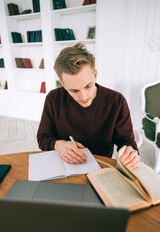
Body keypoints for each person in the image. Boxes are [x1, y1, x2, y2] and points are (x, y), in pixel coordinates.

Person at [37, 42, 140, 171]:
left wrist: (131, 153)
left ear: (95, 75)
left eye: (88, 86)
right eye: (74, 91)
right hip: (63, 166)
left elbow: (126, 141)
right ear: (63, 84)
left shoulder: (116, 101)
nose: (84, 97)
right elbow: (43, 138)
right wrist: (59, 145)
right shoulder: (53, 98)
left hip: (101, 167)